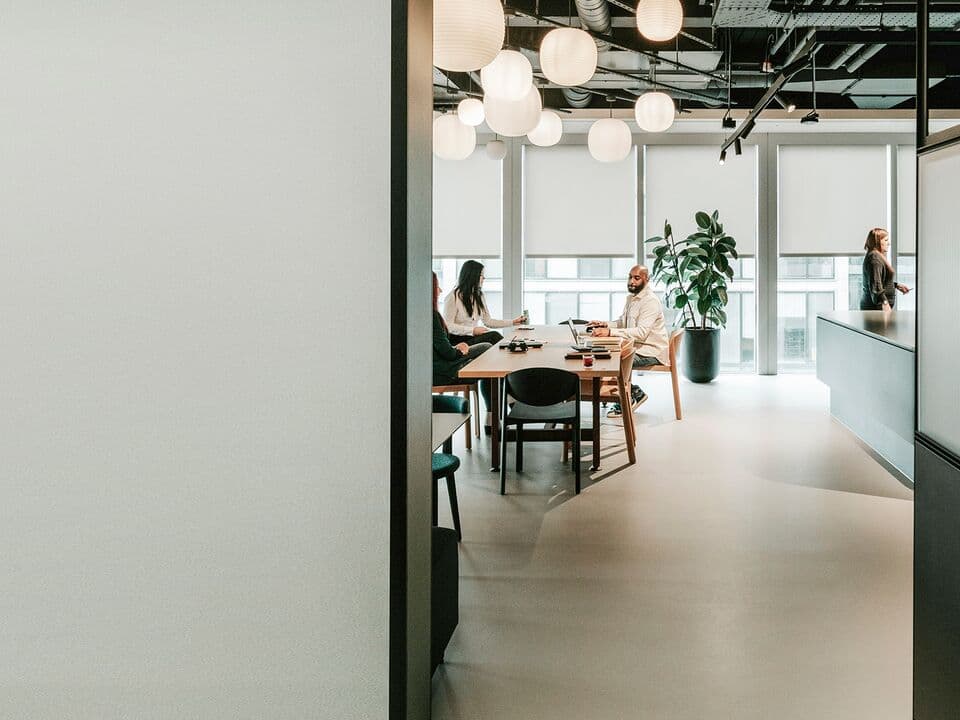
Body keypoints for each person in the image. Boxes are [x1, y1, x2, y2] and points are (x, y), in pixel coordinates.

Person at [587, 265, 669, 418]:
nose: (632, 281)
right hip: (636, 346)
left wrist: (610, 332)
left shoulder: (650, 301)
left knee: (616, 360)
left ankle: (629, 396)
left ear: (647, 279)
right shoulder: (631, 299)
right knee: (608, 354)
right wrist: (605, 324)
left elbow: (641, 332)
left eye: (637, 278)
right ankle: (633, 392)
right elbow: (622, 323)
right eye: (630, 277)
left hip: (651, 351)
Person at [432, 272, 492, 417]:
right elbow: (448, 354)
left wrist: (456, 349)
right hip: (445, 372)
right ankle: (497, 412)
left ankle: (494, 413)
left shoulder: (420, 314)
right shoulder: (432, 316)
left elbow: (440, 348)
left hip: (440, 366)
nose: (440, 291)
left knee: (487, 348)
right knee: (488, 355)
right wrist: (460, 351)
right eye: (437, 287)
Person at [443, 260, 524, 346]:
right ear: (472, 276)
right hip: (459, 341)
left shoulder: (479, 296)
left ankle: (511, 348)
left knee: (493, 337)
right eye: (481, 275)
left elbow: (488, 321)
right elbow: (448, 325)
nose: (484, 278)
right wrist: (472, 330)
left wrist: (512, 322)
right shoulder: (453, 297)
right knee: (493, 336)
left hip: (472, 338)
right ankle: (511, 348)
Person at [860, 227, 909, 311]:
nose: (888, 243)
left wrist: (896, 285)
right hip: (875, 309)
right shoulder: (874, 258)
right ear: (877, 241)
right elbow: (876, 285)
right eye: (886, 240)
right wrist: (885, 303)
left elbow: (879, 280)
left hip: (878, 308)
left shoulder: (876, 256)